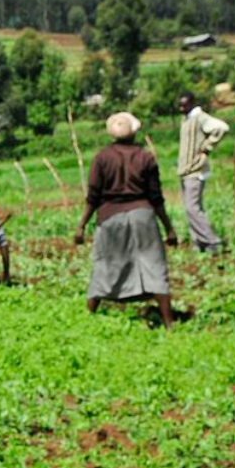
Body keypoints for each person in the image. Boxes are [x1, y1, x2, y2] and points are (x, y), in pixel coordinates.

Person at [75, 112, 178, 328]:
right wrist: (169, 228)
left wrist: (81, 225)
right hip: (143, 216)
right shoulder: (146, 157)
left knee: (105, 265)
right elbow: (155, 197)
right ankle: (169, 322)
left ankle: (88, 318)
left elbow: (93, 196)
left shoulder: (102, 158)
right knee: (153, 265)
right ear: (134, 133)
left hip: (110, 217)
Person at [176, 91, 229, 254]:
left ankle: (212, 240)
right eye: (179, 105)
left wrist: (206, 147)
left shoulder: (200, 118)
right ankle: (199, 242)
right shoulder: (187, 119)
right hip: (186, 170)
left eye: (184, 105)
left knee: (192, 208)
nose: (181, 108)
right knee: (190, 207)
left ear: (192, 103)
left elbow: (221, 127)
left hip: (195, 171)